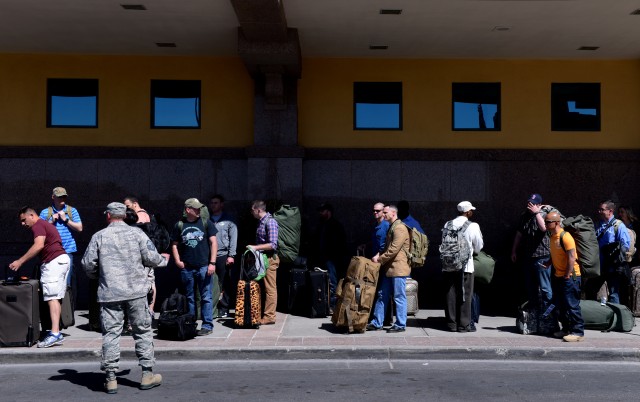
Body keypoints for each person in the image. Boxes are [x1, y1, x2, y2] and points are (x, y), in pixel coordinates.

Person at [82, 202, 167, 393]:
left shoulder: (99, 236)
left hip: (110, 293)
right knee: (142, 331)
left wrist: (100, 276)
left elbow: (88, 264)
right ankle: (147, 374)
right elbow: (153, 258)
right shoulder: (137, 234)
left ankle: (111, 378)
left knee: (111, 334)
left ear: (108, 216)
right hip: (136, 292)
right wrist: (163, 261)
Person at [9, 207, 71, 348]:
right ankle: (56, 331)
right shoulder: (44, 224)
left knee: (52, 297)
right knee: (55, 297)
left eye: (24, 220)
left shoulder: (38, 225)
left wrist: (20, 261)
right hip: (59, 260)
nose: (23, 224)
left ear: (32, 215)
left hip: (54, 262)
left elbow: (38, 245)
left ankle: (55, 334)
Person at [170, 198, 218, 336]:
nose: (199, 211)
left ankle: (207, 325)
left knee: (206, 297)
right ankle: (190, 324)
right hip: (187, 268)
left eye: (199, 208)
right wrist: (178, 260)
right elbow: (174, 244)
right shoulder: (180, 225)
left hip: (204, 267)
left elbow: (213, 243)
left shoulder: (205, 222)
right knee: (190, 297)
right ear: (188, 210)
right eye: (196, 208)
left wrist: (212, 263)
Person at [367, 204, 411, 333]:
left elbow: (393, 249)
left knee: (399, 296)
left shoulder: (400, 228)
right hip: (389, 268)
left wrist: (379, 259)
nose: (383, 214)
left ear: (393, 213)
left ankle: (400, 324)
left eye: (385, 212)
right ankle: (377, 322)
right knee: (382, 295)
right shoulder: (392, 227)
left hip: (398, 269)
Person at [442, 201, 484, 333]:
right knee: (465, 294)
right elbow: (479, 246)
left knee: (450, 293)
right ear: (468, 212)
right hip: (466, 266)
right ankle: (464, 324)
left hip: (448, 265)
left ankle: (451, 323)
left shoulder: (447, 224)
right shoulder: (473, 225)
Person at [545, 211, 585, 342]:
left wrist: (567, 274)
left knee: (572, 305)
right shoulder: (552, 237)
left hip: (570, 277)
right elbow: (557, 254)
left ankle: (578, 332)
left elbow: (572, 257)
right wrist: (549, 263)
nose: (546, 224)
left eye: (548, 222)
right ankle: (566, 329)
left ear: (556, 223)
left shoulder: (565, 237)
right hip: (558, 276)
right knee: (560, 305)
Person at [39, 186, 82, 309]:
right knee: (50, 283)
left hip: (67, 250)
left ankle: (65, 312)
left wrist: (66, 219)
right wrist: (51, 221)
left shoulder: (71, 211)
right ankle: (53, 311)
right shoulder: (45, 212)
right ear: (53, 197)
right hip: (50, 252)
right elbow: (39, 230)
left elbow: (79, 228)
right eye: (59, 197)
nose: (62, 199)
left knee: (66, 283)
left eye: (64, 196)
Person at [510, 193, 553, 311]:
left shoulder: (545, 214)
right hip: (528, 256)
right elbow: (519, 234)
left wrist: (537, 213)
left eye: (533, 204)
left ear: (539, 204)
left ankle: (548, 313)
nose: (530, 205)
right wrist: (514, 250)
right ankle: (534, 312)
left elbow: (543, 228)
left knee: (545, 287)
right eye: (529, 203)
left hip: (542, 256)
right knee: (530, 286)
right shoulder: (524, 216)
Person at [247, 200, 279, 325]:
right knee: (263, 287)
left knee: (270, 289)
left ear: (258, 210)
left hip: (270, 259)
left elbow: (273, 244)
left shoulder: (270, 222)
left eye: (252, 210)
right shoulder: (261, 222)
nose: (251, 212)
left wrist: (255, 247)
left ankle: (269, 316)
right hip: (262, 259)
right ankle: (262, 313)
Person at [312, 202, 348, 310]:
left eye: (322, 211)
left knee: (333, 282)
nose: (320, 213)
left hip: (332, 259)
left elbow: (339, 244)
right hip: (325, 258)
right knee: (327, 282)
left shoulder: (335, 225)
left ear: (328, 212)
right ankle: (327, 304)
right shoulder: (322, 225)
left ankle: (333, 305)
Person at [595, 200, 631, 304]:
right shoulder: (598, 225)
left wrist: (615, 256)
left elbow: (625, 245)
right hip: (600, 267)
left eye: (602, 209)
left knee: (614, 294)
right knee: (590, 288)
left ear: (610, 211)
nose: (599, 212)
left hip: (612, 268)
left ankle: (616, 318)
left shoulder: (619, 226)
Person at [209, 194, 238, 318]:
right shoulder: (207, 219)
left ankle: (224, 307)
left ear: (221, 204)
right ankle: (212, 307)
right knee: (211, 283)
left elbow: (233, 238)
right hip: (209, 256)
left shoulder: (228, 220)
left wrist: (231, 255)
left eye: (216, 203)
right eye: (212, 203)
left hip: (223, 255)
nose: (213, 205)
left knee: (224, 283)